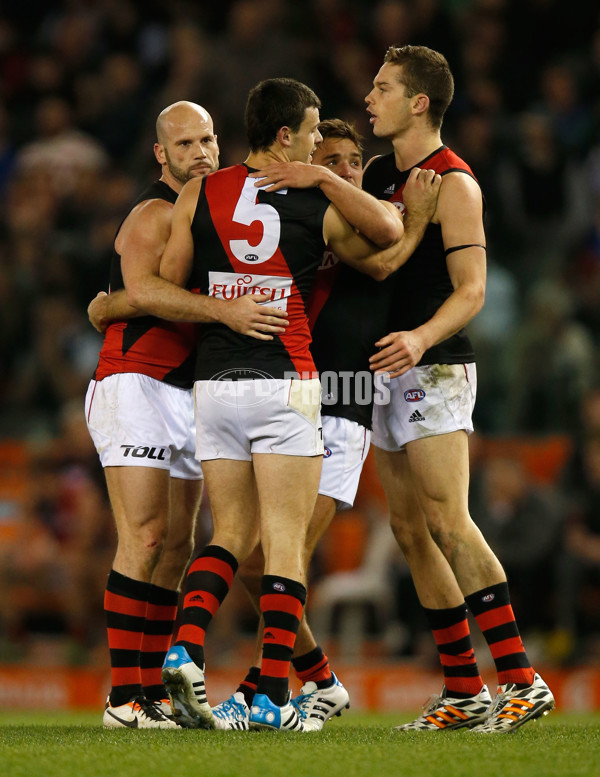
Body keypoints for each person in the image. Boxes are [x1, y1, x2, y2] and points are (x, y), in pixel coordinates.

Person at [157, 77, 438, 733]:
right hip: (287, 381)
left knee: (228, 535)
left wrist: (221, 294)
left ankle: (185, 647)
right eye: (313, 131)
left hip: (216, 382)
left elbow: (170, 283)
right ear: (286, 135)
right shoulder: (314, 205)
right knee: (283, 546)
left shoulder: (203, 191)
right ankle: (269, 699)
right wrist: (327, 182)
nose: (319, 143)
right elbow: (389, 229)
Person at [362, 45, 554, 733]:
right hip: (387, 368)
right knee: (410, 529)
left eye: (383, 88)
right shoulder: (381, 172)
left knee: (449, 520)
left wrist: (419, 338)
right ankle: (464, 688)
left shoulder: (457, 183)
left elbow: (471, 293)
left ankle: (522, 678)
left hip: (436, 365)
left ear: (420, 101)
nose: (369, 98)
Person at [85, 100, 289, 730]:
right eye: (184, 145)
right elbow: (141, 291)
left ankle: (151, 694)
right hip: (135, 382)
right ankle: (124, 699)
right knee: (143, 537)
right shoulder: (154, 211)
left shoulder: (214, 210)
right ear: (160, 155)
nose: (200, 153)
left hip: (186, 390)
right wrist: (225, 312)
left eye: (207, 140)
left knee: (176, 545)